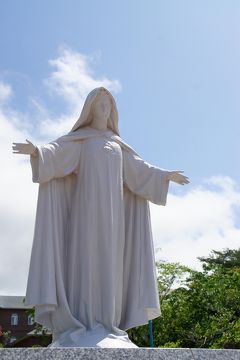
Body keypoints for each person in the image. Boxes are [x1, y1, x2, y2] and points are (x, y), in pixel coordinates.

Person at [12, 87, 189, 348]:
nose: (104, 108)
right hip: (85, 215)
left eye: (108, 103)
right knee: (84, 262)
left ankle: (107, 325)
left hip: (114, 221)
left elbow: (139, 171)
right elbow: (57, 152)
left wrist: (163, 176)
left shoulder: (119, 145)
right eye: (100, 103)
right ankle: (82, 323)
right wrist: (37, 151)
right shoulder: (81, 140)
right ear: (91, 108)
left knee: (112, 267)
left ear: (113, 109)